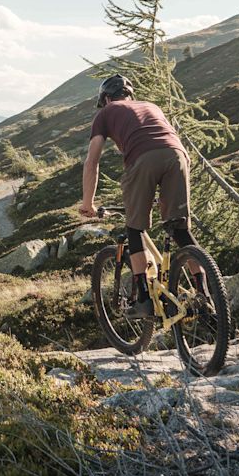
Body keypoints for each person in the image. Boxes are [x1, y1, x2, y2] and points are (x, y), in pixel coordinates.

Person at [80, 74, 198, 318]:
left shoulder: (105, 113)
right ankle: (205, 292)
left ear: (106, 98)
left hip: (143, 159)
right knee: (179, 229)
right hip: (178, 156)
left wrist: (88, 203)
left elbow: (92, 162)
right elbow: (164, 142)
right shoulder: (152, 106)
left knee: (135, 229)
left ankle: (143, 298)